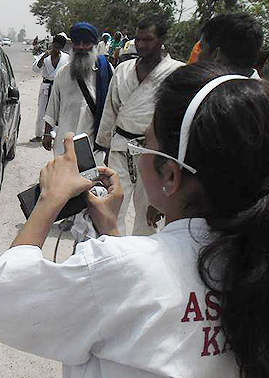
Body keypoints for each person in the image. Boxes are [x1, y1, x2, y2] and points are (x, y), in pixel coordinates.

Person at [0, 62, 269, 378]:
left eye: (143, 146)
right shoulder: (262, 262)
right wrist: (111, 231)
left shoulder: (123, 270)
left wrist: (50, 199)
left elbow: (2, 300)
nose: (139, 155)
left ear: (171, 175)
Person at [96, 15, 183, 236]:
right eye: (138, 39)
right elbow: (110, 109)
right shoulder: (123, 69)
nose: (141, 45)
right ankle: (114, 252)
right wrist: (104, 145)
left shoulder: (177, 73)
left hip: (154, 153)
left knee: (148, 215)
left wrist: (171, 161)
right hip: (120, 147)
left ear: (161, 39)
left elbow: (178, 122)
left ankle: (141, 255)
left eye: (148, 39)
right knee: (113, 206)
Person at [42, 22, 113, 163]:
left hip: (94, 145)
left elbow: (114, 106)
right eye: (77, 43)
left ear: (94, 45)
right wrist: (47, 133)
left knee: (93, 176)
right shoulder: (62, 73)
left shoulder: (106, 70)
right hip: (65, 142)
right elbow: (52, 105)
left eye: (86, 43)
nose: (81, 47)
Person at [30, 33, 70, 144]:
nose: (56, 49)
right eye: (55, 46)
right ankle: (39, 134)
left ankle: (54, 135)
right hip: (46, 86)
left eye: (59, 47)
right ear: (52, 44)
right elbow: (35, 69)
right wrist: (43, 58)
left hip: (59, 87)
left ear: (62, 47)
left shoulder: (66, 58)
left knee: (58, 111)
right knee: (42, 111)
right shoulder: (45, 56)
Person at [197, 13, 263, 78]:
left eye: (201, 47)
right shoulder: (261, 85)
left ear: (216, 55)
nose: (197, 55)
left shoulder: (205, 83)